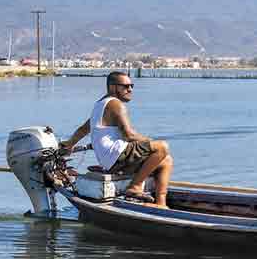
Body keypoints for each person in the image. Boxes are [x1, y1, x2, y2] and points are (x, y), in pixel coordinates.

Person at [61, 71, 173, 208]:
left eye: (131, 85)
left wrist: (69, 144)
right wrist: (150, 142)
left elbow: (84, 129)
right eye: (125, 86)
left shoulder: (100, 104)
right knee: (162, 147)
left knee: (166, 159)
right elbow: (129, 135)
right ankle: (135, 187)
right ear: (113, 87)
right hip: (117, 156)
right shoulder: (115, 104)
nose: (130, 89)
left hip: (110, 160)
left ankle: (161, 203)